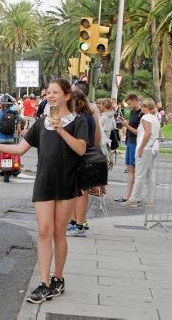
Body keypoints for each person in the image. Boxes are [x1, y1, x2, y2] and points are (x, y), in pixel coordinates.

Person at [0, 78, 88, 304]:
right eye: (49, 93)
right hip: (44, 182)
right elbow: (20, 148)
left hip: (66, 183)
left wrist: (61, 130)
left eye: (55, 92)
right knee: (44, 231)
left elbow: (81, 149)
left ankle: (58, 278)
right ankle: (44, 283)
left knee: (58, 234)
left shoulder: (78, 121)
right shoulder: (40, 122)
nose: (51, 96)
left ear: (66, 96)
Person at [66, 90, 96, 238]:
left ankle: (78, 225)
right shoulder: (89, 116)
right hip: (87, 156)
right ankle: (77, 222)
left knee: (79, 193)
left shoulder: (80, 118)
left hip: (80, 157)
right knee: (79, 193)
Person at [123, 98, 161, 207]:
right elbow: (159, 134)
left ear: (146, 107)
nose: (141, 107)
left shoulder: (145, 117)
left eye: (143, 105)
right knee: (151, 175)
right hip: (154, 148)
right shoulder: (155, 119)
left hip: (145, 148)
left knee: (140, 174)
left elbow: (147, 133)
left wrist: (140, 148)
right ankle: (150, 200)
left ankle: (134, 199)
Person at [115, 93, 142, 202]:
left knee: (134, 171)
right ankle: (129, 195)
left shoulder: (141, 114)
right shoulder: (133, 112)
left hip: (135, 143)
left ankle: (131, 196)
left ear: (135, 100)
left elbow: (138, 132)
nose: (129, 106)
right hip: (130, 142)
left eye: (130, 103)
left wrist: (126, 125)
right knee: (131, 170)